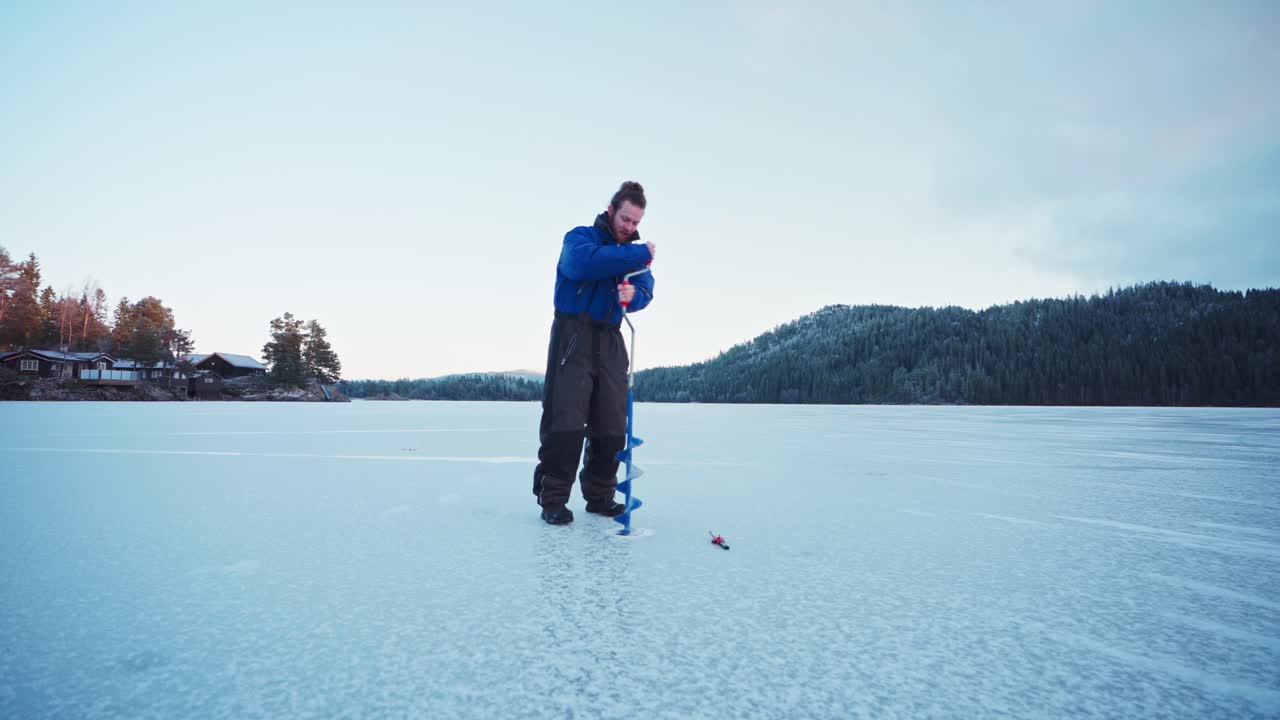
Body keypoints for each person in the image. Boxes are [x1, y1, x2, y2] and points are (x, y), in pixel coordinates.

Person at [532, 181, 656, 525]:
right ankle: (553, 499)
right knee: (565, 420)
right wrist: (639, 251)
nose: (629, 227)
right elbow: (582, 265)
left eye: (635, 223)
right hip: (574, 334)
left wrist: (635, 294)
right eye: (625, 219)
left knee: (611, 424)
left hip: (612, 338)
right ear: (611, 210)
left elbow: (646, 287)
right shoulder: (580, 238)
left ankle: (600, 496)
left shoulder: (633, 254)